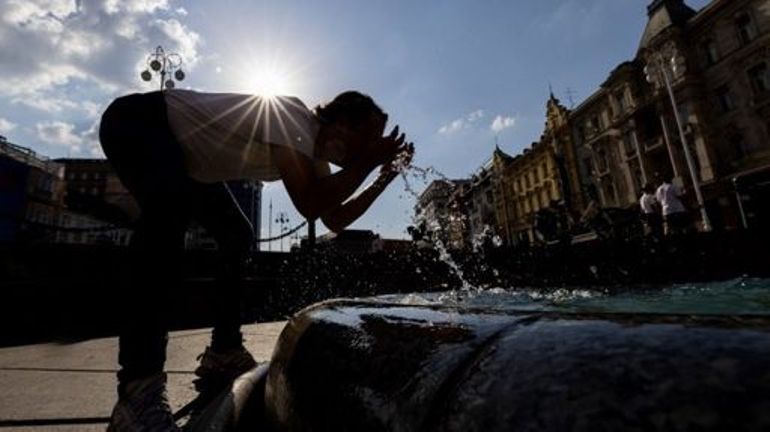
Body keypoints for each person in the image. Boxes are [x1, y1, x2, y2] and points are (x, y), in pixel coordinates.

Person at [99, 89, 413, 431]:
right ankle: (138, 390)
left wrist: (383, 177)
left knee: (235, 234)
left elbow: (333, 218)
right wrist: (367, 163)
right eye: (369, 136)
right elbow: (309, 203)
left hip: (186, 160)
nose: (373, 146)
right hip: (139, 122)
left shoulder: (310, 152)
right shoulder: (291, 115)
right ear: (339, 123)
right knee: (167, 215)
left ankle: (224, 352)